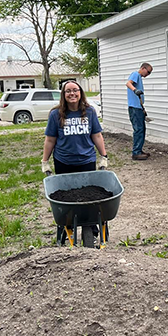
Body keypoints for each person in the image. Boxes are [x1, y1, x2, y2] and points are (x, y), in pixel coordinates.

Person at [42, 80, 108, 243]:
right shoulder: (55, 114)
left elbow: (97, 135)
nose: (72, 94)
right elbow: (50, 139)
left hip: (86, 160)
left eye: (75, 90)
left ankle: (91, 227)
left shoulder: (90, 112)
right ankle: (68, 226)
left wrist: (103, 156)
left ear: (80, 93)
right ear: (63, 95)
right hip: (63, 161)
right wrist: (45, 161)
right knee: (67, 198)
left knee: (89, 197)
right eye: (68, 91)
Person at [125, 62, 153, 160]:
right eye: (148, 72)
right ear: (143, 68)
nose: (148, 75)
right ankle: (136, 153)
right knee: (138, 130)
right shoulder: (135, 74)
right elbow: (128, 83)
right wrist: (135, 90)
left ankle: (139, 150)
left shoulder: (139, 78)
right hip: (134, 108)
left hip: (138, 107)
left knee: (142, 129)